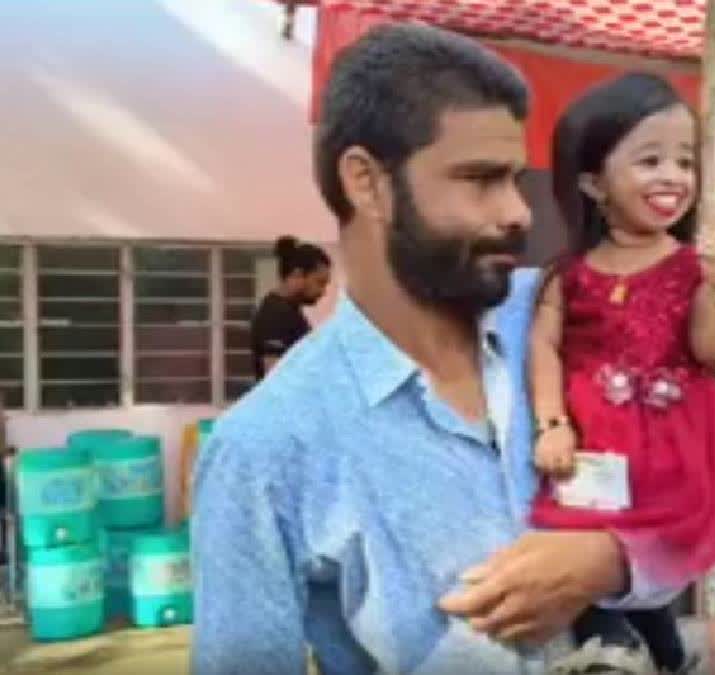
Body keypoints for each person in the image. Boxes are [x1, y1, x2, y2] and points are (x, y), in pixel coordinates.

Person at [193, 26, 669, 675]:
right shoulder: (264, 450)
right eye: (480, 179)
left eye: (514, 178)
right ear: (368, 183)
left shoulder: (568, 317)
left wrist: (611, 560)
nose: (518, 212)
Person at [526, 72, 715, 674]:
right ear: (593, 183)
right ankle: (627, 639)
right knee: (585, 543)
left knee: (651, 555)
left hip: (672, 444)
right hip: (591, 443)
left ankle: (652, 642)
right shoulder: (567, 273)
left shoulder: (692, 266)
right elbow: (545, 348)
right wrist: (551, 422)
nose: (673, 177)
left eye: (684, 161)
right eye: (650, 160)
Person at [249, 235, 332, 378]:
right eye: (320, 282)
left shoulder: (291, 312)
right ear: (297, 275)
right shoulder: (275, 315)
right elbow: (274, 377)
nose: (323, 292)